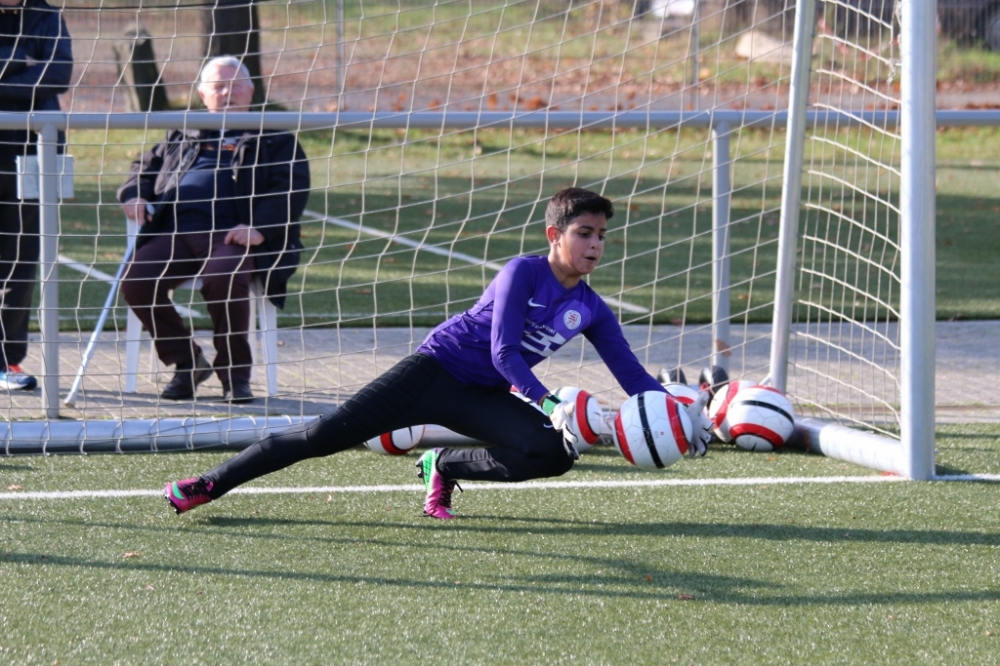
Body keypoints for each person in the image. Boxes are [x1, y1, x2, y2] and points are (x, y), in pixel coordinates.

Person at [163, 188, 712, 519]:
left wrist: (682, 414)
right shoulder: (523, 271)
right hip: (431, 373)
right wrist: (550, 402)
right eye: (585, 233)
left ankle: (444, 467)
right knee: (320, 438)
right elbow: (503, 352)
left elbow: (633, 375)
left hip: (479, 395)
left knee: (553, 456)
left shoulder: (591, 307)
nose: (595, 245)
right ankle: (209, 484)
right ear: (554, 234)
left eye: (602, 237)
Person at [117, 56, 309, 403]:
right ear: (203, 95)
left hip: (234, 237)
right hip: (175, 233)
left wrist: (260, 227)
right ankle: (188, 362)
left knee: (223, 277)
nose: (228, 93)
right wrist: (134, 195)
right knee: (136, 281)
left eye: (235, 85)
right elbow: (142, 170)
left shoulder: (275, 136)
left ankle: (235, 376)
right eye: (218, 86)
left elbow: (290, 188)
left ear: (251, 91)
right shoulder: (182, 133)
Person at [0, 0, 73, 390]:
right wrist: (20, 60)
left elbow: (57, 74)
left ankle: (6, 362)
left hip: (32, 150)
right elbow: (38, 74)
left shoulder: (47, 17)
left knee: (20, 260)